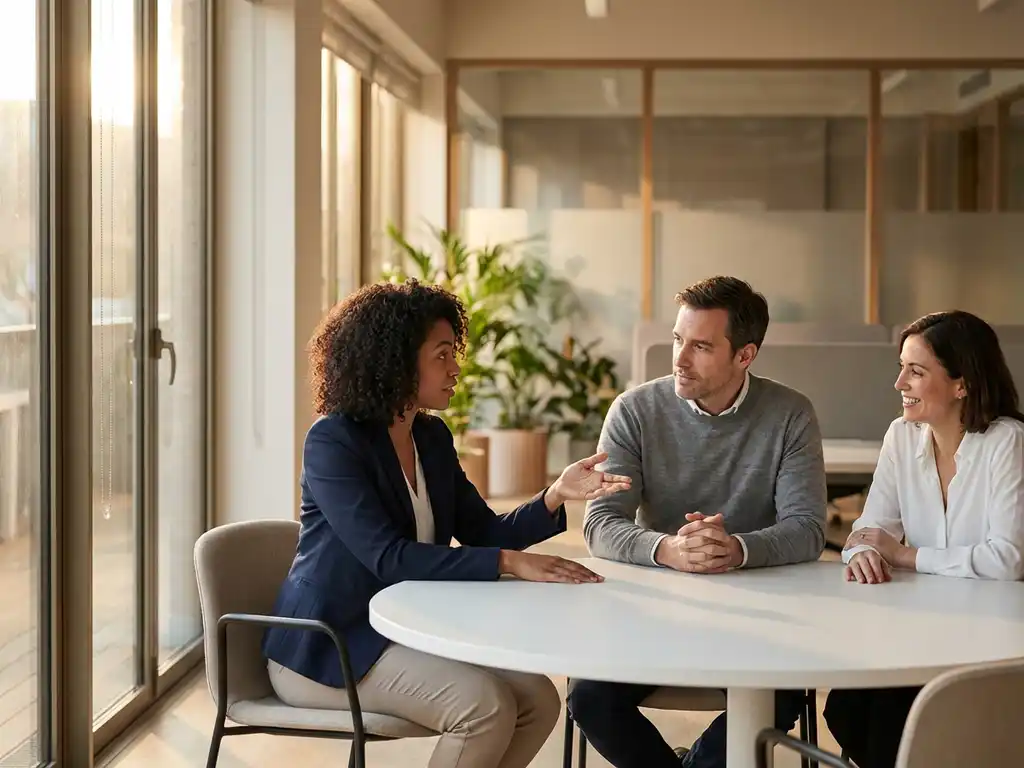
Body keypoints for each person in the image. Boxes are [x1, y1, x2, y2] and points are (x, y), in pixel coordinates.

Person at [261, 279, 632, 768]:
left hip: (403, 630)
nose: (456, 368)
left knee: (539, 701)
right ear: (394, 360)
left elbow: (485, 532)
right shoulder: (333, 442)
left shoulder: (430, 436)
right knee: (483, 708)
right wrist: (508, 563)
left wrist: (555, 494)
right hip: (328, 645)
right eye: (441, 355)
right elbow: (388, 557)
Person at [566, 275, 828, 768]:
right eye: (678, 340)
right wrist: (669, 550)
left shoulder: (791, 414)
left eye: (702, 346)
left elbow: (809, 528)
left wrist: (736, 549)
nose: (680, 359)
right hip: (654, 610)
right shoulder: (635, 410)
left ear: (745, 355)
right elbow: (600, 522)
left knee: (784, 694)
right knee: (589, 698)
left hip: (764, 616)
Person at [824, 310, 1024, 768]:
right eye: (902, 368)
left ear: (962, 384)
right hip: (922, 630)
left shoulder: (1007, 442)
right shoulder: (901, 436)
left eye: (916, 371)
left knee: (893, 719)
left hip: (993, 637)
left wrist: (905, 555)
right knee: (847, 708)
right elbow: (867, 530)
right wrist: (864, 553)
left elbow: (1007, 561)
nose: (900, 383)